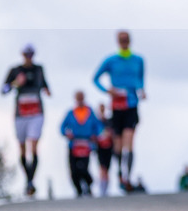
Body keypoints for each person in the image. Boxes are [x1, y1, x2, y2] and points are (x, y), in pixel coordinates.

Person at [93, 30, 145, 192]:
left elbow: (141, 80)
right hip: (116, 106)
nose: (124, 41)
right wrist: (108, 90)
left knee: (129, 141)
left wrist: (142, 89)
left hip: (131, 104)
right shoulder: (111, 60)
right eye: (121, 39)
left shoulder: (138, 60)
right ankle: (120, 171)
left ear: (130, 40)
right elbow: (95, 78)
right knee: (118, 144)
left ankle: (127, 176)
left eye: (126, 39)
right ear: (117, 41)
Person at [0, 44, 52, 197]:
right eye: (26, 54)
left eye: (31, 54)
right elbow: (3, 90)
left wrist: (47, 90)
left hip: (36, 113)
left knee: (34, 146)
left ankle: (30, 182)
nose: (29, 57)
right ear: (22, 55)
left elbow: (47, 87)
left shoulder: (39, 70)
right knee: (22, 147)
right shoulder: (15, 71)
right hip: (21, 114)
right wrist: (16, 83)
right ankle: (28, 179)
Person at [60, 90, 103, 197]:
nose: (80, 100)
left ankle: (89, 183)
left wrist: (95, 134)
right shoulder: (71, 113)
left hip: (86, 144)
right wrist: (66, 133)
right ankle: (78, 190)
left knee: (83, 168)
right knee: (73, 169)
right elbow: (62, 127)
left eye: (81, 98)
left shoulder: (90, 112)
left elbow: (98, 126)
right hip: (73, 144)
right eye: (78, 98)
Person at [95, 103, 115, 196]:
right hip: (100, 148)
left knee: (107, 168)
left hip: (109, 147)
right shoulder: (96, 122)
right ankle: (102, 189)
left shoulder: (109, 121)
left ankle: (106, 188)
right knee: (102, 168)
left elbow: (113, 134)